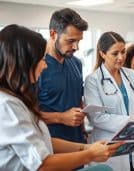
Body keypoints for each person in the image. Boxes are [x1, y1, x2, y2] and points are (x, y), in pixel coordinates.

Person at [0, 24, 123, 171]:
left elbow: (43, 141)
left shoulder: (17, 99)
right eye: (41, 59)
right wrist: (90, 154)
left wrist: (86, 147)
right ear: (23, 63)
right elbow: (42, 164)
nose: (45, 65)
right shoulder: (6, 104)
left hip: (71, 138)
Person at [84, 31, 134, 171]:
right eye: (115, 53)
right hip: (109, 147)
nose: (121, 57)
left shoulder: (131, 75)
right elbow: (97, 117)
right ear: (102, 54)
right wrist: (132, 122)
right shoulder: (93, 80)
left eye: (123, 52)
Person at [38, 8, 87, 145]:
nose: (76, 47)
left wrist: (83, 131)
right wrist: (61, 117)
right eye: (71, 41)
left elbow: (77, 100)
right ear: (53, 34)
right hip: (50, 145)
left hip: (77, 142)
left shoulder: (76, 63)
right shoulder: (36, 67)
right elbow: (26, 115)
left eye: (79, 41)